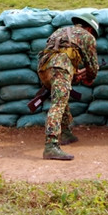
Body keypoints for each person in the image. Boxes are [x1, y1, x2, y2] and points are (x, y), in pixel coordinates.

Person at [37, 13, 99, 160]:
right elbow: (93, 66)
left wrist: (74, 73)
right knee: (58, 103)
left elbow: (59, 53)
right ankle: (51, 146)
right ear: (90, 29)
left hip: (43, 69)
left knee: (61, 98)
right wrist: (89, 78)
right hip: (60, 68)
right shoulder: (87, 37)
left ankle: (66, 133)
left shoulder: (60, 31)